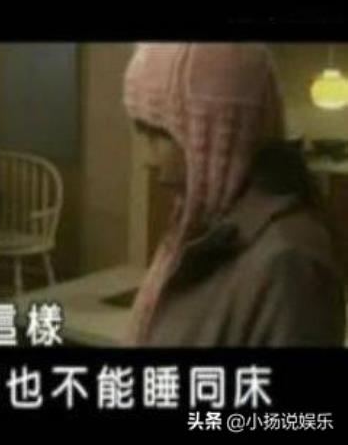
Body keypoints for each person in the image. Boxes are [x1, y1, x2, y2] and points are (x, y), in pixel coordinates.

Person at [123, 43, 346, 347]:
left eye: (159, 134)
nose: (148, 159)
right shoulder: (203, 233)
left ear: (217, 135)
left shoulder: (288, 265)